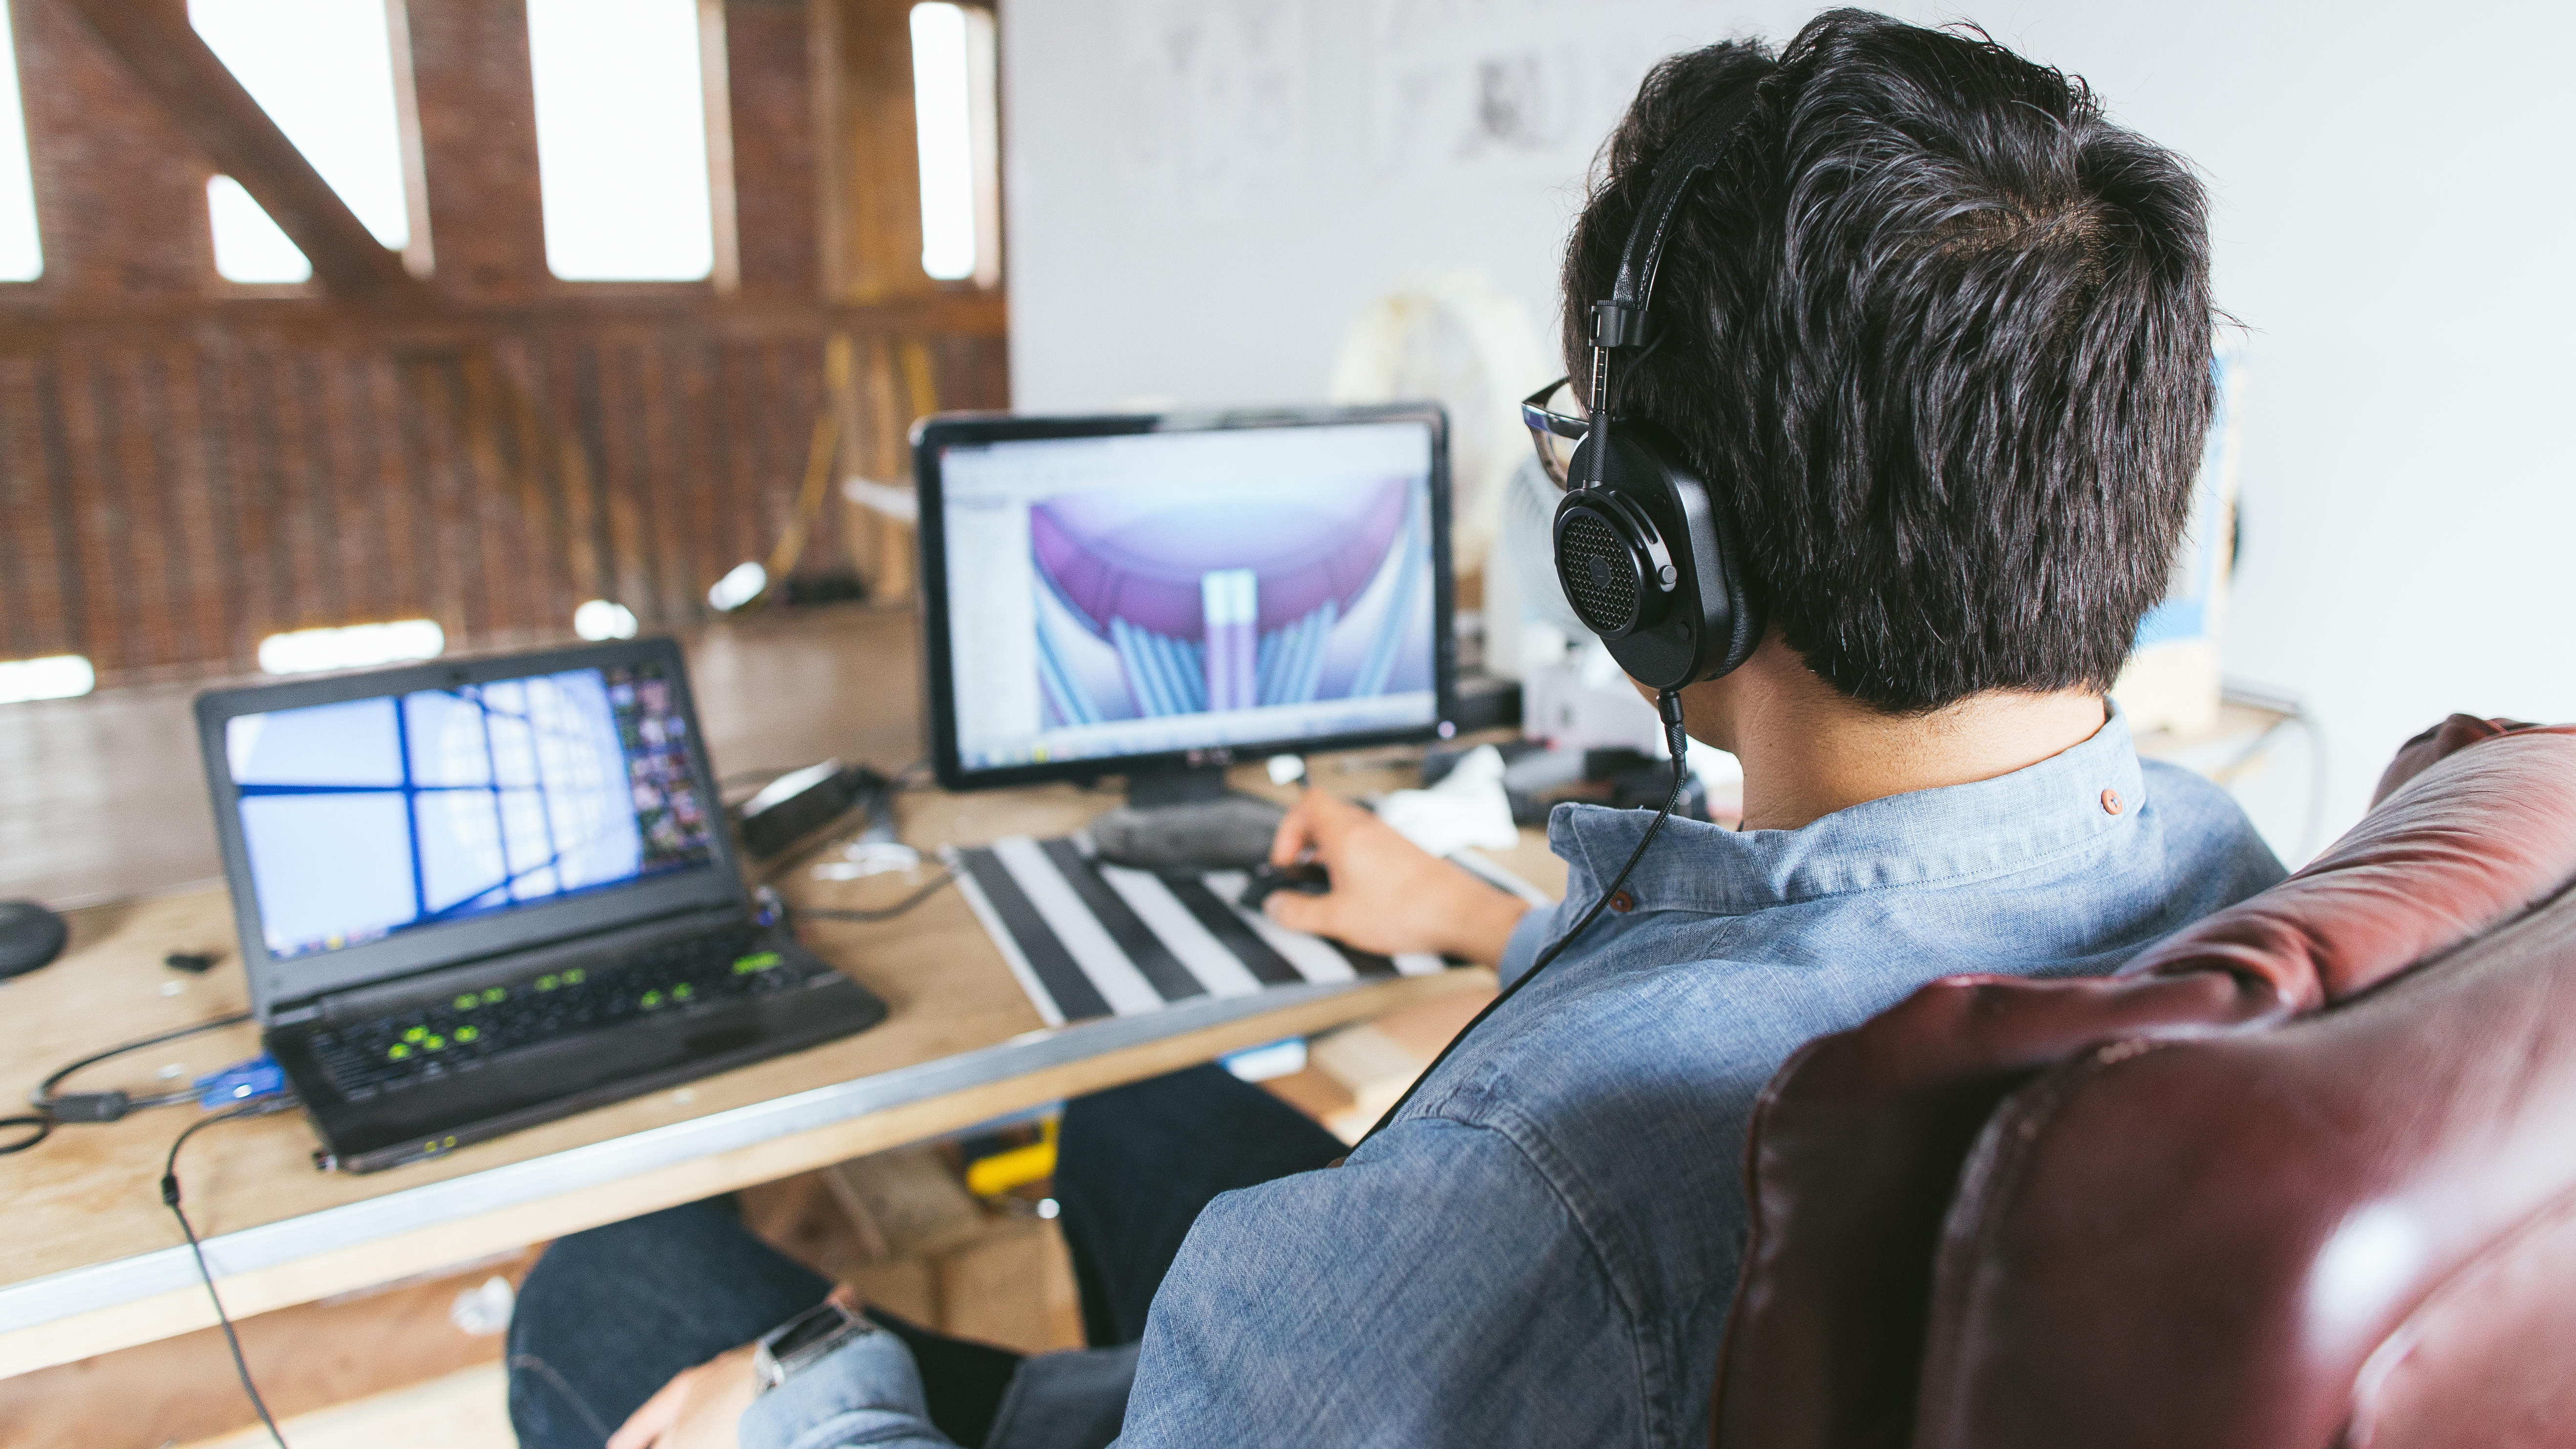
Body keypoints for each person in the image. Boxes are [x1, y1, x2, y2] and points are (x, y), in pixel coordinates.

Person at [505, 11, 2287, 1448]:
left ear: (1655, 554)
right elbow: (1862, 973)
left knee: (608, 1282)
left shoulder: (1536, 1175)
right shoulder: (2222, 863)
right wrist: (1471, 913)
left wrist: (818, 1412)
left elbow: (1625, 1140)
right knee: (1143, 1124)